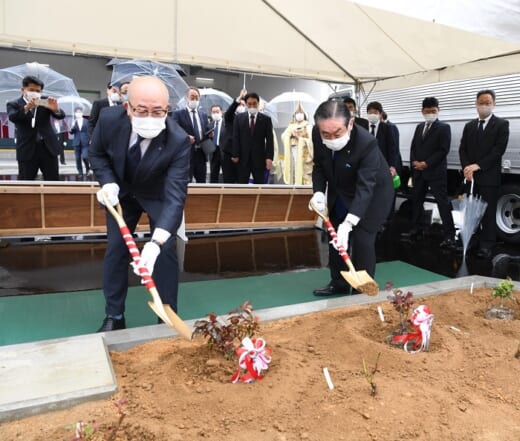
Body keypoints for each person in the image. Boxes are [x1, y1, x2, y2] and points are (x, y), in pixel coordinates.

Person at [89, 76, 191, 332]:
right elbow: (97, 153)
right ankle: (114, 315)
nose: (150, 117)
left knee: (166, 251)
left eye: (158, 111)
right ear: (128, 108)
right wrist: (108, 182)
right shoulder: (109, 120)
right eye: (142, 110)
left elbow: (175, 196)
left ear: (167, 109)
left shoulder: (178, 140)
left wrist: (155, 243)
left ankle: (167, 315)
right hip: (121, 193)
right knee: (116, 248)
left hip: (158, 195)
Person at [310, 100, 393, 296]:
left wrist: (350, 222)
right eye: (326, 134)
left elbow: (366, 187)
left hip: (374, 194)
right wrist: (319, 192)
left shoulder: (367, 143)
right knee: (335, 237)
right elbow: (319, 166)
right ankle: (338, 282)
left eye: (337, 133)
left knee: (362, 239)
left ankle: (362, 291)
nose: (331, 138)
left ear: (350, 123)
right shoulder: (316, 133)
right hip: (341, 189)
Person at [459, 89, 510, 259]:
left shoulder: (502, 125)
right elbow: (463, 149)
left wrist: (478, 166)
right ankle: (471, 240)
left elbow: (498, 151)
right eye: (481, 102)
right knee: (471, 210)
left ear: (494, 104)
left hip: (488, 176)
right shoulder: (469, 126)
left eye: (488, 103)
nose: (484, 106)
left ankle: (487, 244)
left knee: (488, 213)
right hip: (470, 177)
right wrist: (467, 167)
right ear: (476, 104)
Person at [408, 97, 455, 247]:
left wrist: (426, 163)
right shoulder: (419, 127)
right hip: (419, 172)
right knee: (417, 200)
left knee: (442, 203)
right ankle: (416, 229)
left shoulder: (444, 127)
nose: (430, 114)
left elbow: (443, 150)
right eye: (427, 111)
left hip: (435, 172)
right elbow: (414, 147)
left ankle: (449, 235)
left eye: (433, 111)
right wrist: (414, 163)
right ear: (422, 111)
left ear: (438, 110)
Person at [7, 75, 66, 181]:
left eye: (38, 91)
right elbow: (13, 117)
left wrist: (56, 109)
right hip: (27, 149)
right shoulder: (14, 104)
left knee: (53, 180)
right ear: (23, 90)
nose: (35, 93)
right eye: (31, 90)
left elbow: (60, 116)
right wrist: (27, 107)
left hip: (48, 148)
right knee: (26, 181)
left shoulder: (44, 101)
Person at [232, 92, 274, 184]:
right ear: (246, 104)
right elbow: (236, 137)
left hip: (259, 159)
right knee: (241, 185)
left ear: (258, 104)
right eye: (249, 104)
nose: (252, 106)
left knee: (260, 185)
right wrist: (235, 154)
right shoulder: (239, 118)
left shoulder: (266, 119)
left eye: (254, 103)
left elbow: (270, 140)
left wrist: (269, 157)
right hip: (243, 158)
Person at [172, 87, 210, 183]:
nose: (194, 100)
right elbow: (174, 131)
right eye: (192, 97)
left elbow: (205, 131)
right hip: (186, 154)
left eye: (197, 97)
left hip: (201, 154)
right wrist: (186, 138)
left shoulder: (203, 115)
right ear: (186, 98)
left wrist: (209, 134)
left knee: (202, 183)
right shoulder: (178, 114)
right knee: (186, 183)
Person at [280, 103, 313, 185]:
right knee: (293, 169)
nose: (299, 114)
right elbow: (283, 136)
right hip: (292, 151)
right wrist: (290, 134)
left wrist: (300, 138)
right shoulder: (291, 126)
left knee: (301, 171)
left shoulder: (307, 126)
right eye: (297, 113)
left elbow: (311, 141)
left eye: (301, 112)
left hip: (303, 153)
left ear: (304, 114)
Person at [220, 89, 247, 183]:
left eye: (243, 105)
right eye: (240, 105)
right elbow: (229, 112)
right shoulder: (230, 117)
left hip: (242, 156)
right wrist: (239, 98)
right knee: (229, 183)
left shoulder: (247, 119)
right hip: (229, 155)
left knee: (242, 183)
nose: (241, 107)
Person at [69, 107, 91, 179]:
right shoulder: (74, 122)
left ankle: (88, 168)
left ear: (82, 113)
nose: (78, 113)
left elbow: (89, 131)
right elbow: (71, 133)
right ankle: (80, 172)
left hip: (85, 142)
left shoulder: (86, 121)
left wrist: (90, 139)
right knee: (77, 158)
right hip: (76, 142)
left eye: (79, 112)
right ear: (75, 113)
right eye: (76, 112)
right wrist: (71, 127)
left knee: (85, 157)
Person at [209, 104, 224, 183]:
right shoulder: (210, 125)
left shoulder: (227, 124)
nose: (215, 114)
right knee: (213, 174)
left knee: (227, 174)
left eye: (217, 112)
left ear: (221, 112)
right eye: (213, 112)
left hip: (224, 152)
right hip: (213, 151)